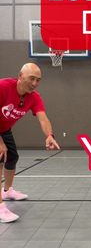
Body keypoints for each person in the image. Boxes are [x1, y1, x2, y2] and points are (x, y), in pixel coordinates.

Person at [0, 63, 60, 223]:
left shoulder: (34, 97)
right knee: (0, 157)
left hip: (4, 129)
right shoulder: (3, 87)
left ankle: (7, 190)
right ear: (20, 76)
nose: (35, 83)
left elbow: (43, 118)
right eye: (31, 78)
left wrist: (49, 135)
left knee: (12, 157)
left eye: (38, 80)